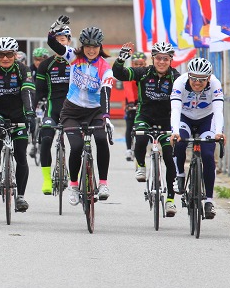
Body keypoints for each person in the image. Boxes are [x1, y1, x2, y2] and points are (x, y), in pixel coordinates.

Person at [46, 18, 115, 204]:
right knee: (76, 147)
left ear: (100, 47)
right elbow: (52, 43)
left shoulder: (105, 68)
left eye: (95, 46)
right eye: (87, 46)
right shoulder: (74, 57)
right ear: (82, 46)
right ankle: (74, 186)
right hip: (72, 112)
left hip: (95, 112)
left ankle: (103, 183)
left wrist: (106, 117)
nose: (91, 50)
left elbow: (106, 93)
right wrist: (54, 29)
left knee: (101, 140)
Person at [113, 40, 180, 216]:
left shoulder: (176, 77)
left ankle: (171, 200)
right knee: (141, 138)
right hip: (145, 117)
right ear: (153, 58)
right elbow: (120, 74)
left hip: (167, 120)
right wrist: (121, 59)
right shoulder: (143, 73)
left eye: (166, 59)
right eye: (159, 58)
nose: (162, 62)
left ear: (171, 60)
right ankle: (141, 165)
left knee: (168, 155)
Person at [0, 37, 35, 212]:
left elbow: (28, 92)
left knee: (21, 156)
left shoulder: (23, 70)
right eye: (1, 55)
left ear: (15, 54)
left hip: (19, 114)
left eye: (9, 54)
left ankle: (21, 197)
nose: (5, 58)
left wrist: (30, 113)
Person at [170, 57, 225, 219]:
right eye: (194, 78)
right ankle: (179, 175)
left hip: (206, 120)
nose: (197, 82)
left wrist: (218, 132)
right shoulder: (180, 82)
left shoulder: (215, 84)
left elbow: (218, 110)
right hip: (185, 118)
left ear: (208, 78)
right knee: (179, 142)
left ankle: (208, 201)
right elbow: (175, 109)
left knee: (208, 155)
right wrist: (174, 131)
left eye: (202, 79)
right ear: (188, 76)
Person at [35, 23, 72, 194]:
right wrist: (30, 110)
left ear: (69, 42)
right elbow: (39, 92)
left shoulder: (76, 62)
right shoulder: (46, 65)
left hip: (73, 109)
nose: (59, 43)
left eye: (62, 40)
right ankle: (46, 179)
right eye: (56, 40)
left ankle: (76, 178)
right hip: (52, 108)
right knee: (46, 139)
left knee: (77, 144)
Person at [123, 52, 147, 162]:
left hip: (144, 101)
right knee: (129, 124)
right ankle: (128, 149)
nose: (138, 66)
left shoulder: (147, 73)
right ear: (133, 64)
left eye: (141, 64)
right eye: (136, 64)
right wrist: (131, 103)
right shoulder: (130, 73)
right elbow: (128, 89)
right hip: (132, 101)